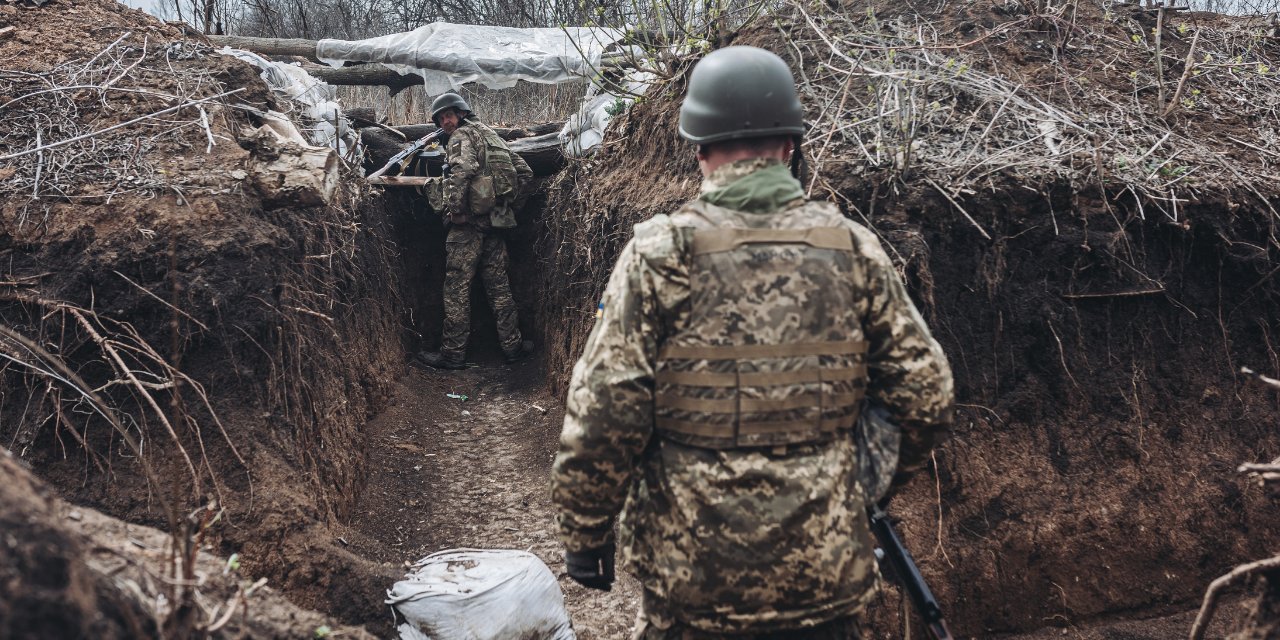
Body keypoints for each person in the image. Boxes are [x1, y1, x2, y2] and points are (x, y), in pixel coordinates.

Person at [550, 46, 955, 638]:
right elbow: (927, 395)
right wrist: (858, 483)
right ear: (790, 146)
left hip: (695, 579)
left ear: (699, 149)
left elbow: (608, 408)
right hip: (824, 574)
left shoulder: (659, 255)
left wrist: (586, 532)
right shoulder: (853, 250)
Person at [415, 92, 535, 369]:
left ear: (461, 113)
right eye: (441, 118)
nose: (446, 121)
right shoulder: (492, 136)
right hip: (494, 224)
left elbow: (460, 172)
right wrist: (508, 210)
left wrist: (456, 211)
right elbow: (526, 174)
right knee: (499, 287)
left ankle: (452, 355)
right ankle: (513, 347)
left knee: (456, 288)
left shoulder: (461, 137)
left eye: (449, 115)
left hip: (467, 227)